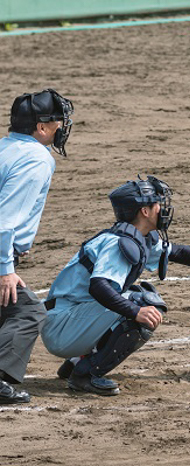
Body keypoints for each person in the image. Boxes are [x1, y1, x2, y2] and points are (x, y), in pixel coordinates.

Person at [41, 175, 190, 396]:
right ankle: (85, 374)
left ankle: (76, 362)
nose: (162, 209)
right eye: (157, 204)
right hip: (63, 327)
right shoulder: (118, 245)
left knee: (136, 298)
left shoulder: (137, 237)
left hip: (69, 319)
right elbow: (99, 287)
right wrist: (136, 312)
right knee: (142, 304)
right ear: (144, 211)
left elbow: (178, 252)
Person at [0, 89, 74, 403]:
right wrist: (5, 270)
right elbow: (3, 222)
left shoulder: (5, 147)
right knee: (28, 310)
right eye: (57, 121)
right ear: (41, 128)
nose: (62, 126)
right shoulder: (35, 159)